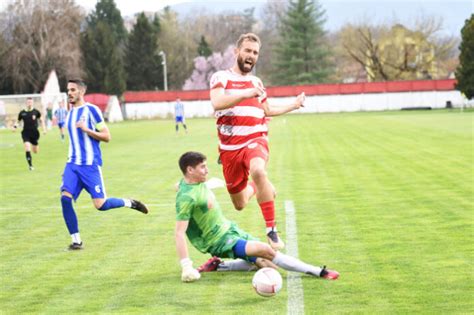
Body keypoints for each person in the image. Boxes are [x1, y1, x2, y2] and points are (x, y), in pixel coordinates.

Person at [175, 152, 339, 283]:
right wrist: (186, 266)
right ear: (190, 170)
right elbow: (179, 233)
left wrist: (210, 184)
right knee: (266, 250)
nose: (207, 170)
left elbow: (178, 185)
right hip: (218, 241)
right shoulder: (186, 198)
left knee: (269, 266)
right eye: (203, 167)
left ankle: (220, 265)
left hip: (230, 229)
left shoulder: (188, 183)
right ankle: (319, 271)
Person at [209, 33, 306, 250]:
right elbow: (217, 102)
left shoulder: (257, 82)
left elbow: (267, 110)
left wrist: (294, 105)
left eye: (255, 53)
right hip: (229, 150)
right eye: (247, 51)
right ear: (237, 52)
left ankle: (271, 231)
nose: (251, 56)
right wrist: (245, 93)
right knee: (240, 203)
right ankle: (261, 187)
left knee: (259, 170)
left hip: (256, 139)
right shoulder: (220, 77)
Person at [60, 79, 149, 250]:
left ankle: (130, 203)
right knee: (65, 199)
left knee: (100, 205)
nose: (69, 93)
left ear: (82, 92)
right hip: (72, 164)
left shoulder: (92, 111)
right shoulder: (69, 113)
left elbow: (107, 136)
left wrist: (87, 130)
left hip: (90, 166)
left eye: (73, 90)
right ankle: (76, 241)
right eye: (68, 90)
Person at [12, 97, 46, 171]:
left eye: (31, 102)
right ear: (26, 103)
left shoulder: (36, 112)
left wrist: (44, 129)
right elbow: (18, 121)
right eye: (28, 102)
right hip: (25, 133)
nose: (29, 103)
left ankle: (35, 146)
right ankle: (30, 166)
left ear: (32, 103)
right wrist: (15, 127)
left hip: (34, 133)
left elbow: (41, 120)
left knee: (35, 151)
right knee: (27, 147)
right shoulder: (22, 112)